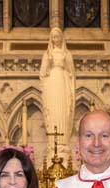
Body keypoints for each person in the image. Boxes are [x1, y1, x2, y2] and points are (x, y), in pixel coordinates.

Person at [40, 27, 75, 159]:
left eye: (57, 36)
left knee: (63, 112)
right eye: (53, 37)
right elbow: (42, 74)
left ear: (61, 38)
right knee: (53, 111)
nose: (55, 39)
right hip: (52, 84)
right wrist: (48, 64)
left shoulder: (67, 54)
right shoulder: (47, 54)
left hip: (62, 83)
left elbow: (71, 73)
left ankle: (63, 144)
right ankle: (52, 145)